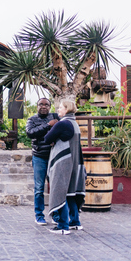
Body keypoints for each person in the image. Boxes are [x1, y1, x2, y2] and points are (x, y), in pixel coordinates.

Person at [44, 100, 86, 235]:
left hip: (63, 163)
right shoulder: (75, 123)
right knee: (70, 193)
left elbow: (47, 138)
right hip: (74, 163)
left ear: (67, 109)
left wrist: (52, 134)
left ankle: (63, 225)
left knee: (60, 191)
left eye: (61, 107)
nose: (58, 109)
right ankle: (75, 222)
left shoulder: (62, 124)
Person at [26, 98, 59, 225]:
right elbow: (30, 133)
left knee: (55, 187)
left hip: (54, 156)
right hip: (39, 156)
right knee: (39, 188)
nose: (43, 107)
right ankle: (39, 215)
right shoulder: (32, 120)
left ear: (50, 107)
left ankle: (55, 214)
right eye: (41, 104)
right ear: (37, 106)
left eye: (46, 105)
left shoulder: (56, 117)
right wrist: (47, 126)